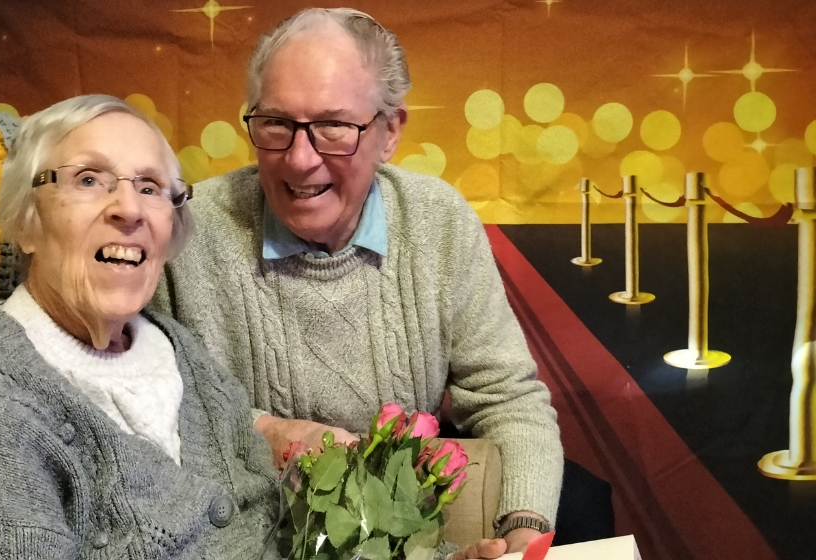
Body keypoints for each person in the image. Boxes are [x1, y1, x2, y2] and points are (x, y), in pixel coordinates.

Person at [155, 8, 564, 555]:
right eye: (276, 123)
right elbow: (146, 416)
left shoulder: (438, 221)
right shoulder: (186, 233)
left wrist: (525, 531)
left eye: (333, 127)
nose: (300, 159)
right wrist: (267, 432)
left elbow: (507, 395)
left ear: (389, 131)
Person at [0, 94, 279, 559]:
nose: (129, 209)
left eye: (150, 186)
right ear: (27, 222)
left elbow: (267, 511)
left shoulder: (180, 350)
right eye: (89, 179)